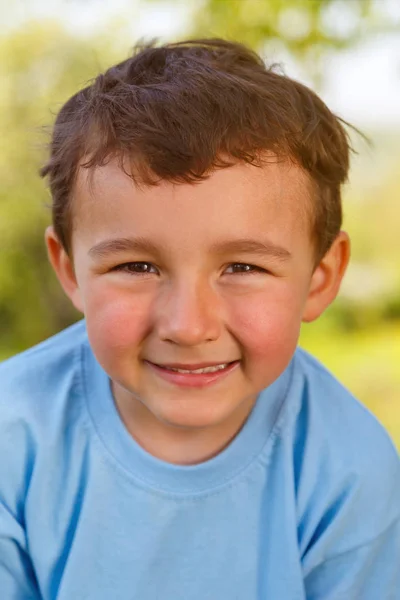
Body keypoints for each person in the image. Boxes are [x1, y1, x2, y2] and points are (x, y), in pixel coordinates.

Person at [1, 38, 399, 600]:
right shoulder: (13, 437)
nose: (188, 326)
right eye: (136, 265)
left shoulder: (350, 471)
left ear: (320, 277)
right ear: (70, 271)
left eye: (242, 266)